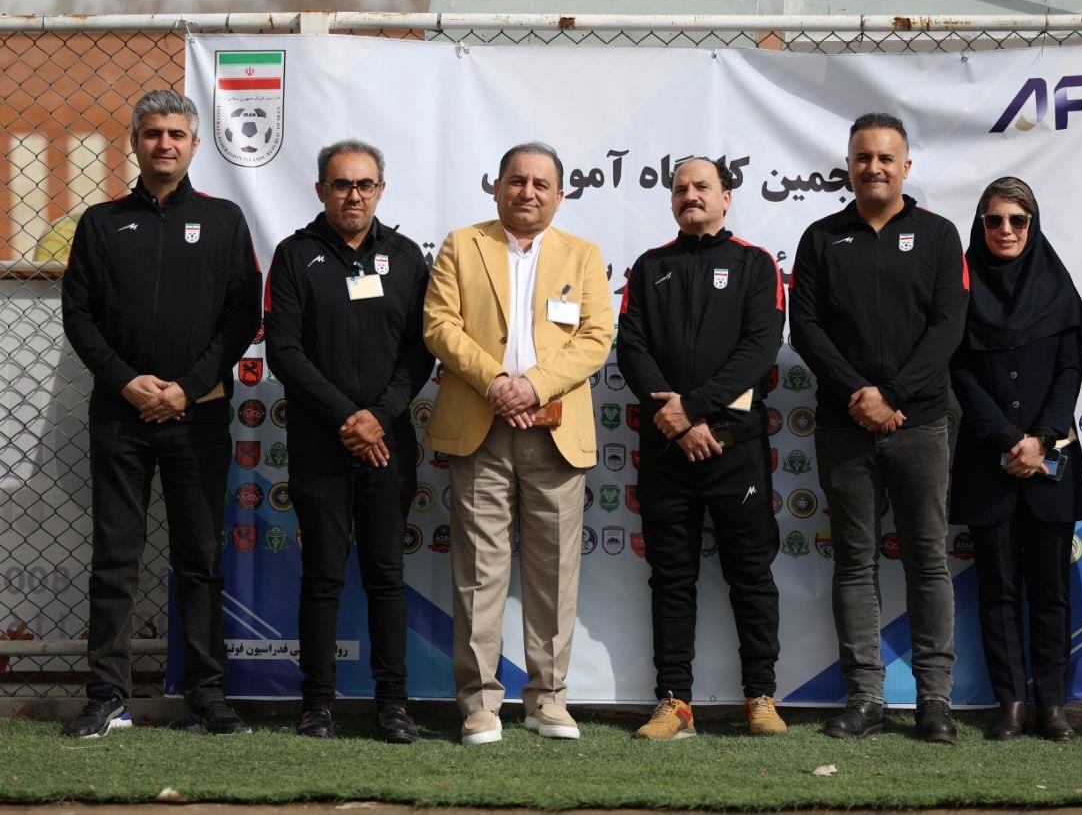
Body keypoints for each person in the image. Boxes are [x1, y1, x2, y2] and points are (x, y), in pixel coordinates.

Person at [61, 89, 261, 737]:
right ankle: (107, 696)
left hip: (196, 418)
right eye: (152, 133)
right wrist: (126, 382)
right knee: (115, 560)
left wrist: (189, 387)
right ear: (136, 142)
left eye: (176, 134)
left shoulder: (225, 220)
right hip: (120, 418)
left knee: (199, 561)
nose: (164, 144)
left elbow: (243, 314)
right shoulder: (101, 223)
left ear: (195, 144)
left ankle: (206, 695)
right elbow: (79, 316)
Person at [424, 141, 612, 745]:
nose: (527, 192)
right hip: (480, 428)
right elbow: (440, 325)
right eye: (516, 180)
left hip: (555, 433)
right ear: (497, 186)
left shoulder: (583, 255)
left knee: (554, 574)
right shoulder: (461, 245)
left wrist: (532, 385)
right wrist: (496, 382)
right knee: (479, 572)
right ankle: (479, 704)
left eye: (540, 184)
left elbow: (596, 338)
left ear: (560, 195)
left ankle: (548, 700)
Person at [789, 112, 968, 743]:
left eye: (886, 158)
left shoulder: (940, 236)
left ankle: (934, 702)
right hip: (845, 426)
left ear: (906, 167)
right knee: (854, 563)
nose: (874, 168)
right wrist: (859, 395)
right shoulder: (820, 238)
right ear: (848, 165)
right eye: (863, 157)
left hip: (921, 424)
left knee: (927, 561)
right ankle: (865, 698)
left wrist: (891, 394)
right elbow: (806, 329)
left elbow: (948, 327)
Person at [264, 140, 433, 743]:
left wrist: (378, 418)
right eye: (341, 185)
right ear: (321, 191)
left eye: (364, 184)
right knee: (323, 577)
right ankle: (317, 705)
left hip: (388, 445)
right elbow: (284, 351)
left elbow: (420, 353)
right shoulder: (294, 255)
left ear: (380, 189)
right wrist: (348, 418)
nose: (353, 195)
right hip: (320, 444)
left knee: (386, 576)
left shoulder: (407, 257)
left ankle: (393, 705)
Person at [617, 156, 787, 740]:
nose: (690, 195)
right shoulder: (649, 266)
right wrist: (678, 422)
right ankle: (674, 701)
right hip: (667, 448)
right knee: (671, 577)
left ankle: (760, 696)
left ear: (725, 197)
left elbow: (759, 349)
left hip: (735, 445)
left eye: (702, 187)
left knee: (751, 574)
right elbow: (632, 349)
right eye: (680, 188)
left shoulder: (755, 264)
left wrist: (694, 409)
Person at [949, 177, 1082, 741]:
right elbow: (960, 371)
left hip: (1051, 462)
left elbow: (1069, 371)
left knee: (1050, 590)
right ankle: (1010, 703)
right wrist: (1008, 439)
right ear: (980, 225)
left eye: (1017, 220)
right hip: (990, 462)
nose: (1005, 230)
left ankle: (1051, 705)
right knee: (998, 590)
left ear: (1033, 225)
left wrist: (1043, 438)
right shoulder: (960, 289)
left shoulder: (1058, 288)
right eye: (994, 220)